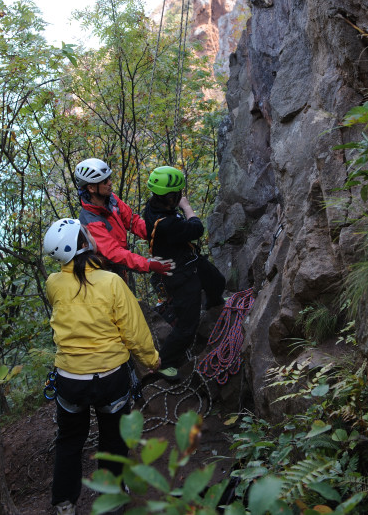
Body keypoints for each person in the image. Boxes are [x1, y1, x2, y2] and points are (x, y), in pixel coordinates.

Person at [43, 217, 161, 515]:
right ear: (83, 244)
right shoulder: (111, 282)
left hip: (70, 380)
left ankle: (65, 503)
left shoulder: (53, 284)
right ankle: (112, 497)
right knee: (112, 436)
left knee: (69, 440)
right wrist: (151, 361)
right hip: (110, 378)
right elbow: (133, 331)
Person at [143, 166, 225, 382]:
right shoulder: (167, 223)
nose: (181, 196)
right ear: (171, 197)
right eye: (178, 193)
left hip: (189, 262)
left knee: (217, 281)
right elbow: (196, 229)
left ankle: (213, 305)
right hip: (179, 275)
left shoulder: (154, 208)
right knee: (187, 327)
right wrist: (187, 208)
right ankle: (165, 362)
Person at [75, 157, 174, 279]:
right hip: (106, 273)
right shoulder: (90, 221)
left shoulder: (111, 200)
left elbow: (134, 222)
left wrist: (159, 232)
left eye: (109, 178)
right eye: (105, 181)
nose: (110, 183)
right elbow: (113, 252)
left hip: (121, 265)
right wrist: (148, 264)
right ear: (91, 188)